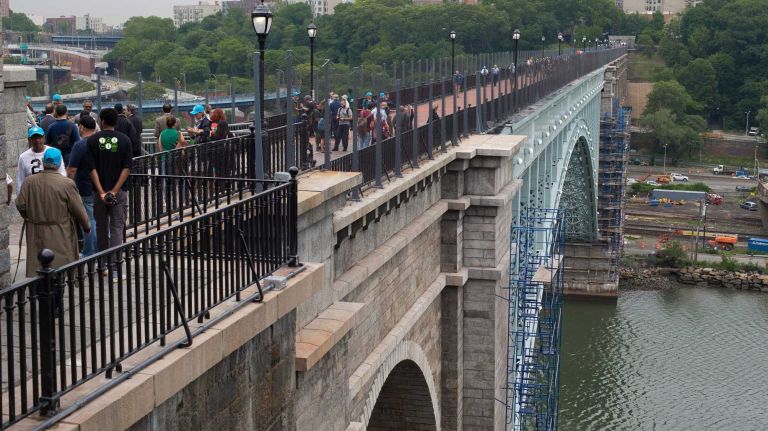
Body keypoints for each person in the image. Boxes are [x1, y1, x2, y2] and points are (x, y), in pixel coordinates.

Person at [16, 147, 90, 277]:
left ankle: (41, 291)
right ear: (59, 163)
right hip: (60, 230)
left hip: (36, 230)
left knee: (39, 265)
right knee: (59, 266)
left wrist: (30, 217)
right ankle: (57, 292)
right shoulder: (66, 183)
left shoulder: (29, 182)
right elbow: (78, 209)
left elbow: (20, 204)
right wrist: (86, 226)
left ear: (43, 162)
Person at [87, 108, 132, 261]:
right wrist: (114, 191)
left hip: (98, 192)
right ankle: (115, 264)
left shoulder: (92, 140)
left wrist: (101, 191)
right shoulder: (125, 140)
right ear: (116, 122)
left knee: (101, 226)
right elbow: (126, 168)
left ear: (102, 121)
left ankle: (103, 263)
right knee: (117, 227)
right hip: (119, 192)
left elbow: (91, 168)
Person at [66, 115, 98, 256]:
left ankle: (90, 253)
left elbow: (72, 169)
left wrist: (69, 187)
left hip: (85, 187)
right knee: (102, 221)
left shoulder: (79, 145)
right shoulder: (100, 142)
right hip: (101, 188)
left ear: (81, 127)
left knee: (88, 222)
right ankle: (104, 251)